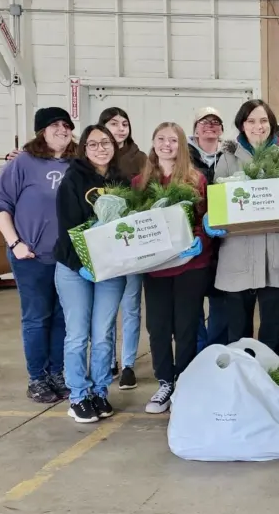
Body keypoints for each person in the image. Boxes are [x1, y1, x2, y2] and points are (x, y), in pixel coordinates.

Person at [0, 107, 77, 403]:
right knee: (37, 317)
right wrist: (15, 243)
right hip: (31, 256)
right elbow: (0, 205)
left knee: (62, 318)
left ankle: (57, 372)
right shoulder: (23, 163)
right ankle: (37, 378)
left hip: (66, 258)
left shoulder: (76, 163)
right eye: (55, 125)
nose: (62, 130)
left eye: (66, 125)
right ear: (41, 130)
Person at [206, 99, 279, 356]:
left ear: (272, 124)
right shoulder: (228, 158)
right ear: (242, 124)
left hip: (276, 253)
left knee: (274, 328)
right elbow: (218, 200)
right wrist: (213, 219)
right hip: (237, 253)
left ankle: (271, 381)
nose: (258, 126)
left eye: (263, 120)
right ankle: (240, 383)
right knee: (238, 331)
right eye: (251, 121)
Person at [132, 123, 211, 414]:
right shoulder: (140, 182)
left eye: (173, 140)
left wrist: (200, 240)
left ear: (182, 145)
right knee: (158, 326)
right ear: (153, 143)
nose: (167, 145)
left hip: (190, 265)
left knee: (187, 326)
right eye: (161, 139)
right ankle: (165, 382)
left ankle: (185, 381)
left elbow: (205, 218)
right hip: (156, 267)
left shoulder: (195, 180)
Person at [53, 124, 128, 423]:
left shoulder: (122, 180)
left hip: (111, 269)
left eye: (106, 142)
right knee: (77, 334)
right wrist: (81, 264)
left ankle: (99, 391)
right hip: (75, 268)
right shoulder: (72, 179)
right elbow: (67, 227)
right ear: (84, 148)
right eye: (94, 144)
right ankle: (78, 396)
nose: (101, 148)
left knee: (103, 334)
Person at [98, 107, 145, 389]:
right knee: (106, 307)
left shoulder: (140, 159)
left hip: (133, 241)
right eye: (113, 123)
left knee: (131, 304)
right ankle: (109, 359)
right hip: (103, 245)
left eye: (124, 123)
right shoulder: (93, 158)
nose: (120, 128)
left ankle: (128, 363)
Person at [188, 106, 228, 350]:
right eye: (204, 121)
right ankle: (197, 352)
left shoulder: (230, 156)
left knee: (221, 300)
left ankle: (214, 352)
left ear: (222, 129)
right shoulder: (184, 157)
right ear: (195, 128)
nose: (210, 125)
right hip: (195, 239)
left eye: (216, 121)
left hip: (224, 241)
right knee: (191, 302)